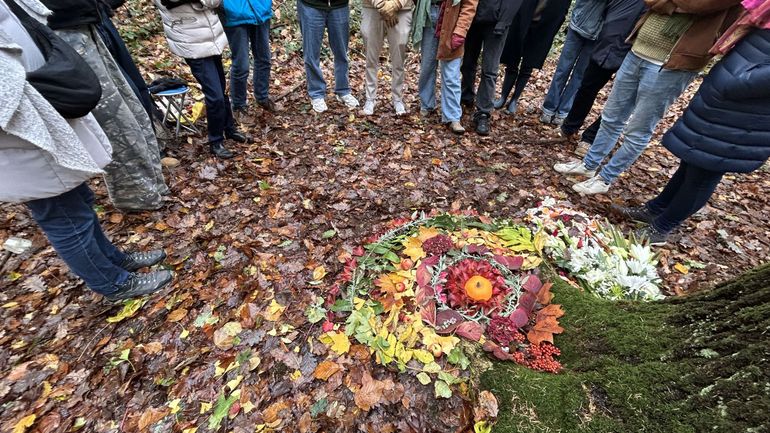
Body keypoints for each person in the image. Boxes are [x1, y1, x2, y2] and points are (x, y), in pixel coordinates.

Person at [0, 0, 173, 301]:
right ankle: (113, 284)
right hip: (22, 133)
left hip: (43, 110)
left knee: (79, 200)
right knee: (64, 217)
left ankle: (113, 260)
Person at [614, 0, 770, 245]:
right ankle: (656, 208)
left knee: (705, 171)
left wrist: (731, 83)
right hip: (726, 104)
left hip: (747, 114)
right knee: (692, 161)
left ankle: (663, 227)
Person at [554, 0, 742, 195]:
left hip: (672, 64)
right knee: (611, 116)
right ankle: (589, 164)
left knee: (638, 129)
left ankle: (605, 178)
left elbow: (698, 5)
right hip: (637, 50)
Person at [38, 0, 169, 211]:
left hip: (91, 23)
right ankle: (136, 198)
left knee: (134, 109)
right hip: (62, 31)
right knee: (115, 120)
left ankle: (153, 187)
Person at [155, 0, 252, 159]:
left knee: (220, 89)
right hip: (191, 39)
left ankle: (229, 129)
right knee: (215, 95)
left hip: (210, 35)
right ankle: (215, 141)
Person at [560, 0, 647, 156]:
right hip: (605, 45)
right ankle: (569, 127)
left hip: (636, 54)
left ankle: (590, 138)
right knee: (587, 88)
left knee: (620, 101)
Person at [413, 0, 479, 135]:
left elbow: (470, 4)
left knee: (451, 73)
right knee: (427, 67)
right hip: (428, 15)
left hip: (452, 21)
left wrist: (461, 30)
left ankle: (453, 116)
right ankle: (426, 105)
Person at [494, 0, 571, 115]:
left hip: (543, 26)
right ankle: (503, 97)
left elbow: (563, 9)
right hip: (521, 18)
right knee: (512, 59)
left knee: (528, 64)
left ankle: (514, 100)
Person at [459, 0, 521, 135]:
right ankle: (466, 97)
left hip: (496, 22)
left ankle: (483, 112)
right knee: (468, 64)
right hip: (472, 17)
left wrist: (503, 21)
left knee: (490, 70)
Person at [540, 0, 606, 126]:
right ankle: (549, 108)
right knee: (563, 69)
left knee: (580, 75)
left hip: (598, 34)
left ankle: (563, 111)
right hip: (578, 24)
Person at [298, 0, 359, 113]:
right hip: (310, 5)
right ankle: (316, 94)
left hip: (339, 5)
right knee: (311, 53)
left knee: (341, 52)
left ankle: (343, 90)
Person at [222, 0, 276, 116]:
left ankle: (262, 98)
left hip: (260, 9)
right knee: (241, 64)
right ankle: (238, 106)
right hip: (235, 14)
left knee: (264, 58)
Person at [360, 0, 414, 116]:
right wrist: (381, 5)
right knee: (371, 58)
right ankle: (370, 98)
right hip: (371, 8)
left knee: (399, 59)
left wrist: (396, 4)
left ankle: (398, 99)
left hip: (402, 10)